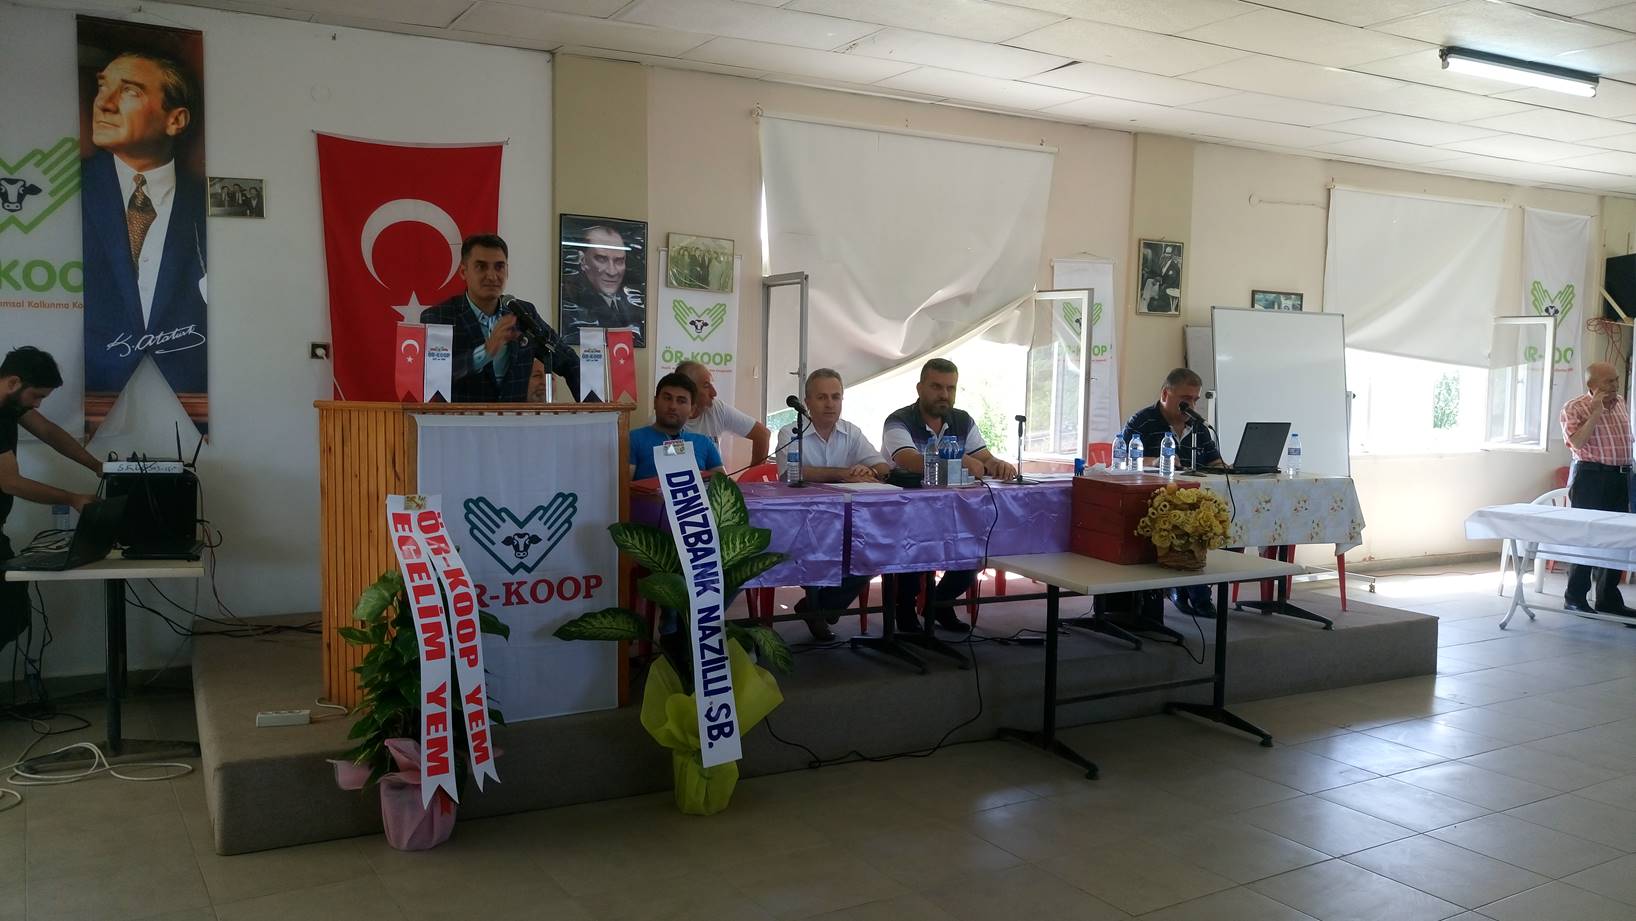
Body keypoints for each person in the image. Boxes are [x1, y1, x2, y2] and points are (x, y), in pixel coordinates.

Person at [81, 49, 209, 435]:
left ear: (176, 120)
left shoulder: (205, 203)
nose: (104, 103)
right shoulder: (67, 191)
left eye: (130, 91)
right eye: (102, 86)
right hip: (92, 390)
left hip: (191, 388)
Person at [881, 358, 1017, 633]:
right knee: (914, 544)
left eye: (950, 388)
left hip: (954, 511)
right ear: (920, 388)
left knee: (980, 540)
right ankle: (905, 613)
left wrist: (997, 464)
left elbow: (984, 457)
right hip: (907, 511)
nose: (944, 394)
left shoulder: (962, 420)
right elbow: (909, 460)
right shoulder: (898, 420)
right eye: (936, 387)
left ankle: (940, 603)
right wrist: (958, 459)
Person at [0, 348, 102, 654]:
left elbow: (48, 431)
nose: (37, 404)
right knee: (7, 615)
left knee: (13, 613)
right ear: (13, 382)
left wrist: (97, 466)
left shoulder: (10, 405)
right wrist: (73, 498)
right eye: (37, 396)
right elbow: (10, 482)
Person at [776, 369, 888, 640]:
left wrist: (868, 470)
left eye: (836, 397)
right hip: (803, 522)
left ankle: (820, 607)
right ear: (807, 402)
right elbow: (790, 473)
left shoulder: (851, 432)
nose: (830, 403)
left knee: (877, 550)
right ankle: (820, 607)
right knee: (818, 550)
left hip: (849, 521)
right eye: (822, 397)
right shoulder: (790, 432)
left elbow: (883, 467)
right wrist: (842, 473)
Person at [421, 234, 580, 403]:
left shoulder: (522, 313)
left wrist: (595, 408)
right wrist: (485, 352)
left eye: (499, 267)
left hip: (514, 419)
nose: (492, 276)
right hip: (461, 419)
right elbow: (432, 376)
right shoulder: (439, 316)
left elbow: (568, 361)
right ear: (463, 272)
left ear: (507, 270)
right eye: (481, 267)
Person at [1121, 367, 1226, 619]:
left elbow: (1214, 462)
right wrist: (1155, 461)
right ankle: (1191, 592)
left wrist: (1232, 467)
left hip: (1193, 501)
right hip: (1153, 503)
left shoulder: (1198, 426)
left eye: (1195, 400)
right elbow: (1122, 460)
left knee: (1211, 523)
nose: (1191, 406)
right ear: (1165, 394)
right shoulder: (1142, 421)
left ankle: (1194, 589)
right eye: (1185, 399)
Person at [1560, 361, 1633, 617]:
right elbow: (1577, 443)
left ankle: (1607, 598)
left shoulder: (1621, 402)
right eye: (1608, 381)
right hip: (1591, 477)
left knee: (1616, 538)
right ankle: (1575, 597)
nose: (1615, 385)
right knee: (1586, 537)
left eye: (1616, 379)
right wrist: (1595, 413)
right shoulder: (1574, 407)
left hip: (1620, 477)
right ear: (1592, 385)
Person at [629, 372, 725, 482]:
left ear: (692, 410)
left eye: (681, 401)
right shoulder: (633, 439)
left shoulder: (705, 443)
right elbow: (622, 488)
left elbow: (724, 487)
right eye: (667, 398)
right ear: (655, 402)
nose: (673, 406)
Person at [560, 223, 645, 346]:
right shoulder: (571, 304)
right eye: (601, 259)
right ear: (583, 261)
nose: (612, 272)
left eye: (619, 261)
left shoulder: (631, 303)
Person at [678, 360, 770, 467]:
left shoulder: (715, 408)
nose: (714, 393)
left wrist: (752, 475)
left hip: (715, 476)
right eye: (706, 386)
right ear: (687, 389)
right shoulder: (666, 418)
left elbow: (762, 435)